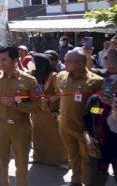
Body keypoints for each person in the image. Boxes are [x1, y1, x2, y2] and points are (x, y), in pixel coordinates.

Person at [47, 49, 104, 186]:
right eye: (65, 60)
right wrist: (54, 111)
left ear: (80, 64)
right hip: (65, 126)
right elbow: (58, 94)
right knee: (73, 156)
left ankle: (87, 182)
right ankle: (75, 181)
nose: (64, 63)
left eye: (68, 61)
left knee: (87, 159)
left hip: (83, 129)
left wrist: (93, 128)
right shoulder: (61, 76)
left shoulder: (96, 81)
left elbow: (99, 108)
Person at [0, 46, 40, 186]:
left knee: (21, 166)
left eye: (4, 60)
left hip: (21, 126)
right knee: (0, 164)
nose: (1, 63)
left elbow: (36, 106)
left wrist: (16, 104)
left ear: (15, 60)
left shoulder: (29, 80)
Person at [83, 73, 117, 186]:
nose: (113, 85)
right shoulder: (95, 99)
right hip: (99, 147)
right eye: (109, 81)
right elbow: (86, 120)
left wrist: (114, 106)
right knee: (96, 180)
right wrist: (87, 137)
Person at [31, 53, 68, 167]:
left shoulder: (55, 76)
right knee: (38, 136)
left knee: (55, 138)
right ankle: (39, 157)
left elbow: (63, 93)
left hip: (51, 111)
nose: (31, 64)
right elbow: (33, 88)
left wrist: (50, 99)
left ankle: (61, 160)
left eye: (33, 62)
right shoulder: (34, 74)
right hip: (37, 111)